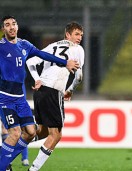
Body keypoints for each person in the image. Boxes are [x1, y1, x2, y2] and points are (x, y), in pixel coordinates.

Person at [0, 15, 79, 171]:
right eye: (7, 25)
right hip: (5, 98)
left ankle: (3, 162)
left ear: (17, 26)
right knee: (15, 133)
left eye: (13, 24)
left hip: (20, 99)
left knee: (30, 132)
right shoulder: (1, 46)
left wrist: (65, 63)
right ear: (3, 29)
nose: (11, 27)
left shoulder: (24, 45)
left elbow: (43, 55)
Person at [26, 21, 84, 171]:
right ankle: (33, 170)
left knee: (42, 132)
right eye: (76, 34)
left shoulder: (51, 46)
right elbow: (79, 77)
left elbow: (31, 61)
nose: (79, 38)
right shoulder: (77, 49)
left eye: (81, 35)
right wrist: (70, 90)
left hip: (39, 92)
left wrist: (37, 79)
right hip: (52, 91)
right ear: (68, 34)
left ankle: (9, 145)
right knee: (56, 135)